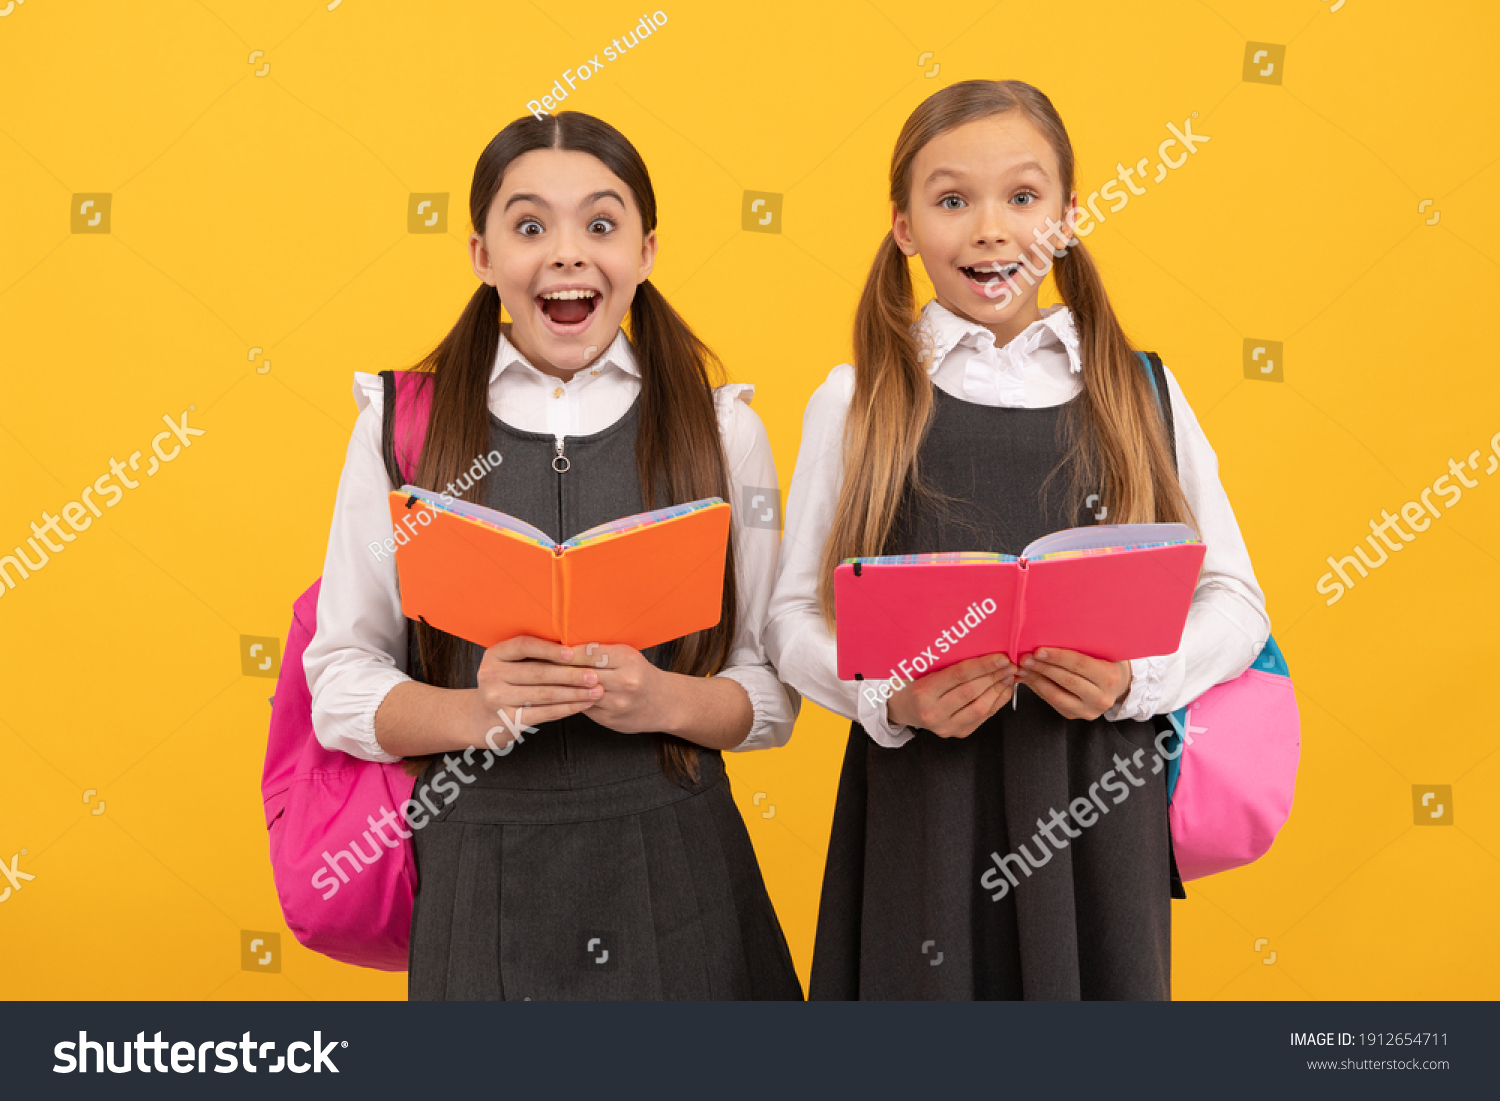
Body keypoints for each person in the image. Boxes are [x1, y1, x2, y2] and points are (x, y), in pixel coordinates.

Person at [765, 79, 1270, 999]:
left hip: (1097, 807)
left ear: (1069, 218)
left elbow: (1235, 598)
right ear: (905, 227)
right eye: (952, 200)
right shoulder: (857, 399)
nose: (990, 229)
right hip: (921, 812)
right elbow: (790, 616)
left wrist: (1137, 683)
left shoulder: (1143, 390)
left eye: (1023, 197)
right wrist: (894, 700)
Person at [304, 110, 802, 1001]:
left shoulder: (725, 429)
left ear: (647, 251)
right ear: (481, 254)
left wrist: (664, 698)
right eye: (530, 225)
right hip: (479, 868)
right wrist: (476, 711)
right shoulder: (397, 425)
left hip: (678, 866)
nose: (568, 253)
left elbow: (768, 692)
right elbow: (339, 679)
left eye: (601, 224)